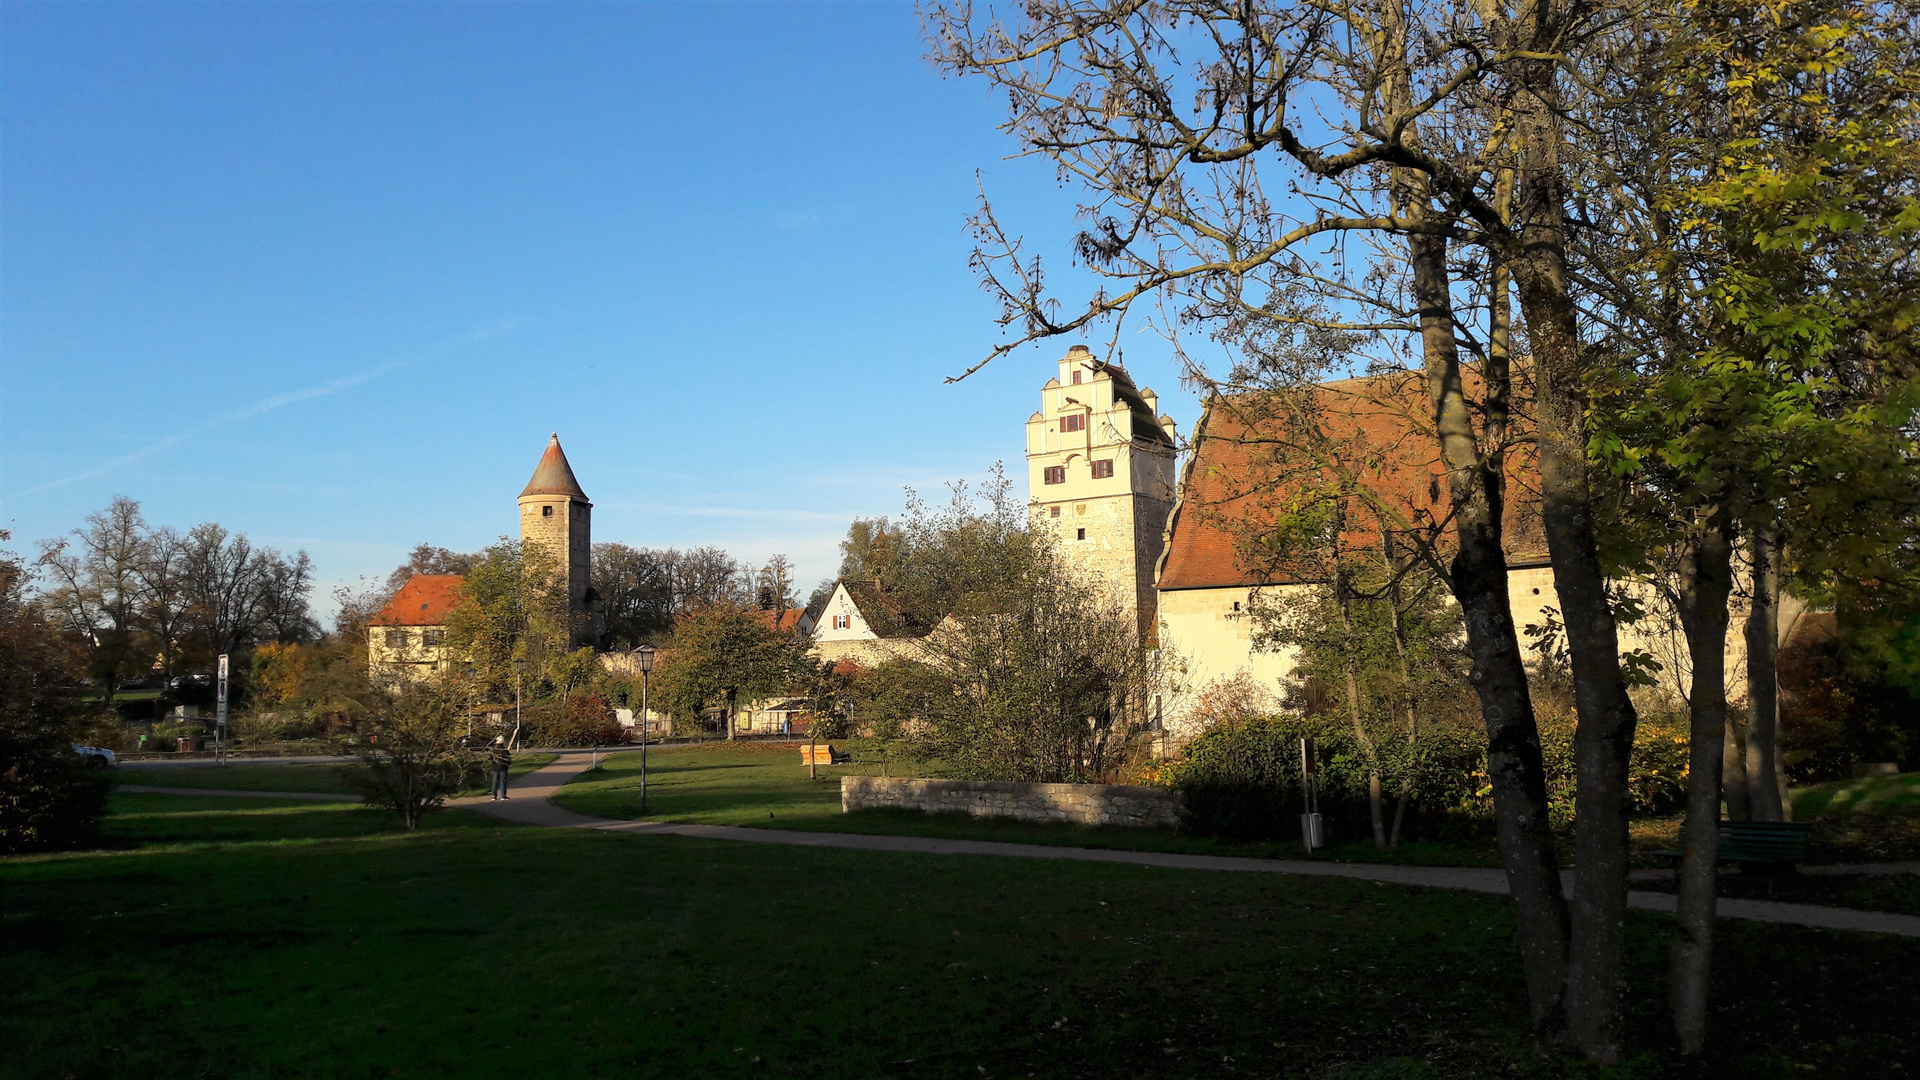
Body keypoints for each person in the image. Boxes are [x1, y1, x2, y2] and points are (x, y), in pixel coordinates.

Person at [489, 736, 512, 801]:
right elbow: (508, 759)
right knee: (503, 781)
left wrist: (493, 764)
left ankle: (494, 796)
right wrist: (508, 764)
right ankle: (503, 796)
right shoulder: (504, 750)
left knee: (495, 781)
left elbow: (490, 759)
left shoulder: (494, 750)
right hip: (503, 767)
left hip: (495, 767)